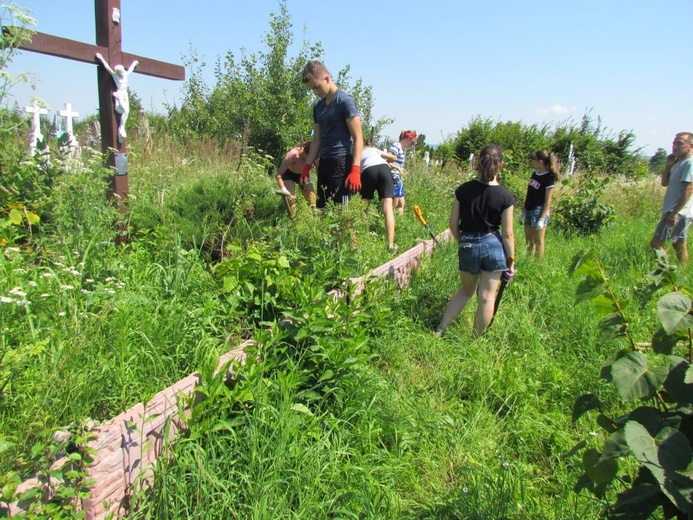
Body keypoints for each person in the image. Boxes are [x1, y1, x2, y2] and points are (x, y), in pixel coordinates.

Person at [435, 145, 515, 337]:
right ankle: (474, 341)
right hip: (494, 246)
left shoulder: (463, 190)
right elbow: (508, 233)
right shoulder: (505, 196)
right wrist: (511, 260)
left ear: (478, 163)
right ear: (501, 165)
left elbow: (453, 224)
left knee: (465, 291)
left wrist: (463, 241)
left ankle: (440, 329)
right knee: (487, 298)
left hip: (468, 244)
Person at [300, 61, 363, 209]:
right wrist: (307, 166)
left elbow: (358, 137)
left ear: (327, 79)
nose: (315, 92)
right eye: (311, 89)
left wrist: (355, 169)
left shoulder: (344, 101)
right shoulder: (318, 106)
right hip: (324, 163)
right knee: (323, 209)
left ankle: (346, 233)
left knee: (341, 213)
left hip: (342, 162)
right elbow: (317, 140)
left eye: (316, 87)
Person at [650, 132, 693, 266]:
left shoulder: (689, 163)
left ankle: (667, 271)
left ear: (691, 146)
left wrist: (674, 213)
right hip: (675, 211)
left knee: (656, 243)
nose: (675, 147)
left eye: (680, 143)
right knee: (678, 243)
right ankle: (680, 271)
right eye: (674, 143)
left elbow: (689, 189)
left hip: (678, 212)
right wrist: (668, 166)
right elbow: (664, 183)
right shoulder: (680, 163)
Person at [521, 150, 559, 258]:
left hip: (539, 211)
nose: (531, 162)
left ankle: (538, 263)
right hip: (529, 209)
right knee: (529, 241)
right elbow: (529, 194)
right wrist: (523, 210)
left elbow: (548, 200)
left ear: (540, 161)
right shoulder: (534, 174)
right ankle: (528, 261)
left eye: (533, 160)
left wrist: (542, 219)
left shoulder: (549, 177)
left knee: (539, 240)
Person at [360, 145, 397, 250]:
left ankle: (364, 237)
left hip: (368, 170)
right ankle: (390, 244)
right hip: (384, 169)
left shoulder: (357, 151)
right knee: (388, 209)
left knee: (365, 208)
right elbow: (393, 158)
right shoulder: (374, 149)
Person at [95, 53, 138, 143]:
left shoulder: (125, 75)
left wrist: (134, 64)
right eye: (120, 72)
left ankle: (122, 127)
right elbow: (108, 68)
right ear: (118, 72)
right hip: (120, 95)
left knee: (127, 111)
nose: (122, 73)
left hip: (125, 95)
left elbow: (130, 70)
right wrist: (101, 58)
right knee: (125, 111)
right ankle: (121, 128)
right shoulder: (115, 76)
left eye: (122, 71)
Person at [274, 140, 316, 215]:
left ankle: (313, 220)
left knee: (313, 200)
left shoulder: (315, 158)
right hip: (289, 174)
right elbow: (278, 175)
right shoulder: (293, 155)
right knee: (291, 202)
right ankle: (294, 222)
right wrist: (284, 190)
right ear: (305, 154)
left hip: (303, 175)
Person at [388, 130, 417, 215]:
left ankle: (400, 222)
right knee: (395, 202)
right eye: (412, 143)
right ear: (408, 139)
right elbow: (387, 160)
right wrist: (398, 168)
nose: (411, 146)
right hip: (394, 177)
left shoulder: (401, 149)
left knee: (401, 203)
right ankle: (389, 218)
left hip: (398, 177)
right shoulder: (396, 146)